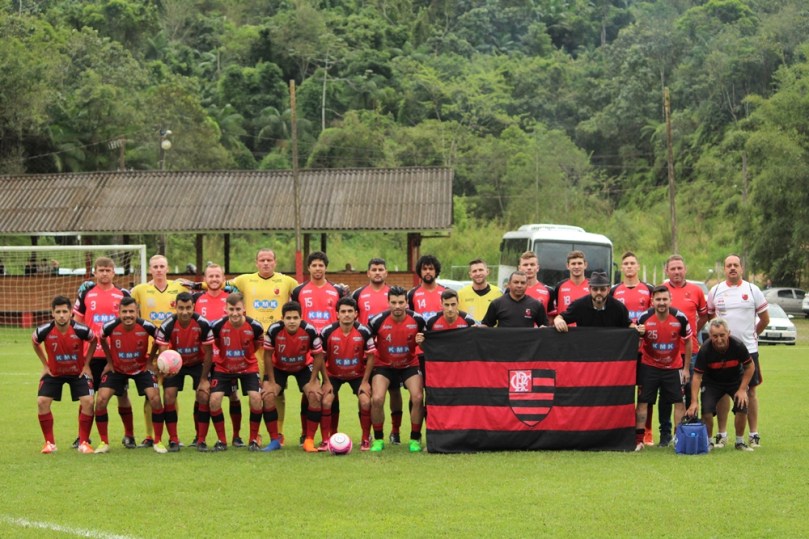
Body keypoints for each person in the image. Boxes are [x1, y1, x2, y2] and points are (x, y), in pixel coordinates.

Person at [224, 248, 298, 443]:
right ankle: (256, 434)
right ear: (256, 262)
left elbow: (307, 291)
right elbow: (218, 284)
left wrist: (338, 287)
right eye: (262, 260)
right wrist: (197, 285)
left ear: (275, 262)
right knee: (255, 391)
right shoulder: (244, 280)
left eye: (269, 260)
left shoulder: (287, 281)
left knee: (277, 390)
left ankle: (279, 433)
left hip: (278, 344)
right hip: (254, 344)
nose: (266, 263)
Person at [73, 256, 135, 449]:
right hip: (90, 355)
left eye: (108, 270)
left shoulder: (122, 294)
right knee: (87, 396)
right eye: (101, 270)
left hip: (115, 356)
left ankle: (129, 435)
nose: (104, 273)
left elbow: (131, 323)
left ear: (114, 272)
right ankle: (82, 437)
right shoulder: (86, 294)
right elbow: (77, 324)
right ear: (95, 272)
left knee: (122, 395)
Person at [707, 255, 769, 448]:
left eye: (736, 265)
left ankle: (753, 434)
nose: (732, 268)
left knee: (750, 391)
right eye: (729, 265)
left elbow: (765, 319)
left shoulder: (752, 290)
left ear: (742, 268)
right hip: (722, 352)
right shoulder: (715, 291)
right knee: (723, 393)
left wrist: (753, 335)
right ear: (724, 269)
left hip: (748, 350)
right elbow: (711, 319)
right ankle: (722, 434)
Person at [94, 297, 167, 454]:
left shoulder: (146, 326)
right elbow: (101, 338)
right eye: (124, 312)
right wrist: (109, 362)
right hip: (118, 368)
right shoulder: (110, 326)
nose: (128, 315)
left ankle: (158, 441)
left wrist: (150, 361)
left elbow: (159, 339)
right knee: (101, 400)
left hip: (141, 368)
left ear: (137, 312)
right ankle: (104, 442)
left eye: (131, 311)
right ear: (119, 312)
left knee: (155, 398)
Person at [129, 254, 186, 448]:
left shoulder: (179, 288)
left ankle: (173, 436)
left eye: (162, 266)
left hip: (172, 352)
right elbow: (122, 303)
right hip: (148, 352)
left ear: (167, 268)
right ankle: (149, 435)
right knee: (150, 395)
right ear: (150, 269)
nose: (159, 270)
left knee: (171, 394)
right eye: (155, 267)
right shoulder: (140, 290)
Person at [33, 296, 96, 454]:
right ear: (52, 313)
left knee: (88, 401)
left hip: (77, 372)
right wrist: (45, 364)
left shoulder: (81, 330)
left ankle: (83, 443)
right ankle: (49, 443)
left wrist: (87, 364)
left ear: (70, 313)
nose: (61, 315)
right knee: (42, 401)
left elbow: (94, 341)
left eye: (64, 311)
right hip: (54, 373)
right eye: (58, 312)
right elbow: (34, 342)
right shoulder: (44, 330)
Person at [203, 293, 266, 452]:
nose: (235, 313)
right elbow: (217, 344)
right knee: (214, 400)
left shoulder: (255, 326)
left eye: (238, 309)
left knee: (256, 398)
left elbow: (257, 344)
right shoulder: (217, 326)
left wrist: (245, 357)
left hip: (248, 367)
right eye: (231, 309)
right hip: (224, 367)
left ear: (244, 308)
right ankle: (222, 441)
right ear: (226, 309)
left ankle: (253, 439)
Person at [368, 286, 427, 452]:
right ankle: (378, 439)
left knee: (417, 397)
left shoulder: (418, 320)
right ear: (388, 303)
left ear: (407, 303)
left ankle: (415, 438)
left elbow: (426, 345)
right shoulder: (377, 321)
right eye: (393, 302)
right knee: (377, 399)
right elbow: (367, 343)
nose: (397, 306)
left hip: (409, 364)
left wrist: (422, 342)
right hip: (384, 365)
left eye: (401, 302)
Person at [154, 292, 215, 452]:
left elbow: (209, 353)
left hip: (198, 362)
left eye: (188, 308)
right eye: (181, 308)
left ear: (193, 307)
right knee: (169, 395)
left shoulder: (202, 323)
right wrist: (166, 367)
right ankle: (173, 439)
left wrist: (204, 379)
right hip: (175, 363)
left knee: (203, 395)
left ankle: (201, 439)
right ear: (176, 307)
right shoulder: (167, 325)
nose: (185, 312)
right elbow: (162, 349)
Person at [192, 263, 244, 447]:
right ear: (205, 279)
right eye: (211, 276)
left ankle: (236, 436)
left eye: (217, 276)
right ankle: (199, 437)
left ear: (223, 279)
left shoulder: (230, 300)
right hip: (204, 357)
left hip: (226, 358)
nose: (214, 279)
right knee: (202, 395)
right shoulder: (197, 299)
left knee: (233, 395)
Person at [633, 286, 691, 451]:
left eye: (665, 299)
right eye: (658, 299)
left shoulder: (680, 317)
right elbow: (635, 341)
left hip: (673, 367)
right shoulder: (644, 317)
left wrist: (686, 369)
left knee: (679, 402)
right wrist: (638, 334)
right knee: (643, 402)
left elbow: (688, 341)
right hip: (649, 366)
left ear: (670, 300)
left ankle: (678, 439)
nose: (661, 303)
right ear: (652, 301)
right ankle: (639, 441)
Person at [263, 301, 325, 452]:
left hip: (303, 366)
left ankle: (309, 440)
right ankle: (274, 440)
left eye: (295, 318)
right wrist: (271, 381)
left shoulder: (310, 330)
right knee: (268, 395)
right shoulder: (273, 330)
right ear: (282, 318)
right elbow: (267, 356)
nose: (292, 321)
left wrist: (313, 381)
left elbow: (318, 356)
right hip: (279, 367)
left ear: (301, 318)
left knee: (315, 395)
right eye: (288, 318)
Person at [686, 318, 756, 451]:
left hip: (735, 380)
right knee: (706, 411)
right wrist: (694, 402)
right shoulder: (705, 349)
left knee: (742, 405)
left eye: (722, 335)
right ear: (710, 335)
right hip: (712, 382)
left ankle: (740, 442)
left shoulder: (738, 345)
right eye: (715, 336)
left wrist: (742, 389)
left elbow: (750, 366)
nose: (719, 340)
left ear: (728, 333)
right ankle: (708, 442)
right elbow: (697, 376)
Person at [661, 254, 708, 446]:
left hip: (691, 351)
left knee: (691, 391)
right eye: (673, 268)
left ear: (685, 269)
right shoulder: (661, 290)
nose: (677, 272)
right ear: (667, 271)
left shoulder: (696, 291)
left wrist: (693, 330)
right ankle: (665, 435)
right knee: (666, 394)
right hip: (666, 352)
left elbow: (704, 316)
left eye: (679, 268)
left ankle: (689, 431)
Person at [320, 297, 376, 451]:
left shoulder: (364, 331)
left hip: (357, 375)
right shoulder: (327, 332)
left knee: (365, 402)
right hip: (333, 375)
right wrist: (326, 381)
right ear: (337, 314)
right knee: (326, 402)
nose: (346, 314)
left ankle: (365, 438)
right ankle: (326, 439)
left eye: (350, 311)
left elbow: (371, 356)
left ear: (356, 314)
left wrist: (365, 382)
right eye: (343, 311)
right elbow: (320, 357)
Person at [610, 251, 655, 445]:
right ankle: (624, 430)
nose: (629, 266)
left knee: (645, 392)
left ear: (638, 266)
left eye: (632, 263)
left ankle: (647, 432)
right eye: (626, 263)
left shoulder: (648, 289)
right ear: (622, 267)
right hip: (623, 350)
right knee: (624, 390)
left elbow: (655, 316)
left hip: (645, 349)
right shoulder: (614, 290)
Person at [351, 257, 398, 438]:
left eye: (381, 269)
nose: (377, 272)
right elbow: (352, 321)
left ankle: (395, 431)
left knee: (394, 391)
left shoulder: (394, 294)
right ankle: (367, 433)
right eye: (374, 269)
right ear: (368, 273)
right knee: (366, 393)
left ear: (386, 273)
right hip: (367, 353)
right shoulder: (358, 294)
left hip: (390, 352)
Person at [553, 271, 632, 331]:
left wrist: (636, 328)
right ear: (589, 289)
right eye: (595, 289)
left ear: (608, 290)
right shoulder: (579, 305)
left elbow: (628, 325)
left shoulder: (619, 308)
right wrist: (558, 320)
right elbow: (561, 317)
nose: (598, 292)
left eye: (602, 289)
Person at [291, 251, 348, 333]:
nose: (317, 268)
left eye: (321, 265)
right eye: (314, 265)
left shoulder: (338, 290)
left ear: (326, 268)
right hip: (306, 336)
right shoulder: (298, 291)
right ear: (308, 268)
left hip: (331, 336)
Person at [482, 271, 548, 328]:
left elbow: (545, 327)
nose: (519, 285)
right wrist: (478, 328)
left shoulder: (536, 305)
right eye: (516, 282)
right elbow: (486, 326)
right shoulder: (497, 304)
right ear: (509, 284)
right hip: (503, 339)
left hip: (527, 340)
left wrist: (545, 328)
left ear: (527, 285)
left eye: (523, 283)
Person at [551, 250, 590, 316]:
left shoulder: (592, 286)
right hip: (564, 323)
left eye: (579, 263)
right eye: (573, 264)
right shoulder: (560, 286)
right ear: (567, 266)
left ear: (585, 265)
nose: (576, 267)